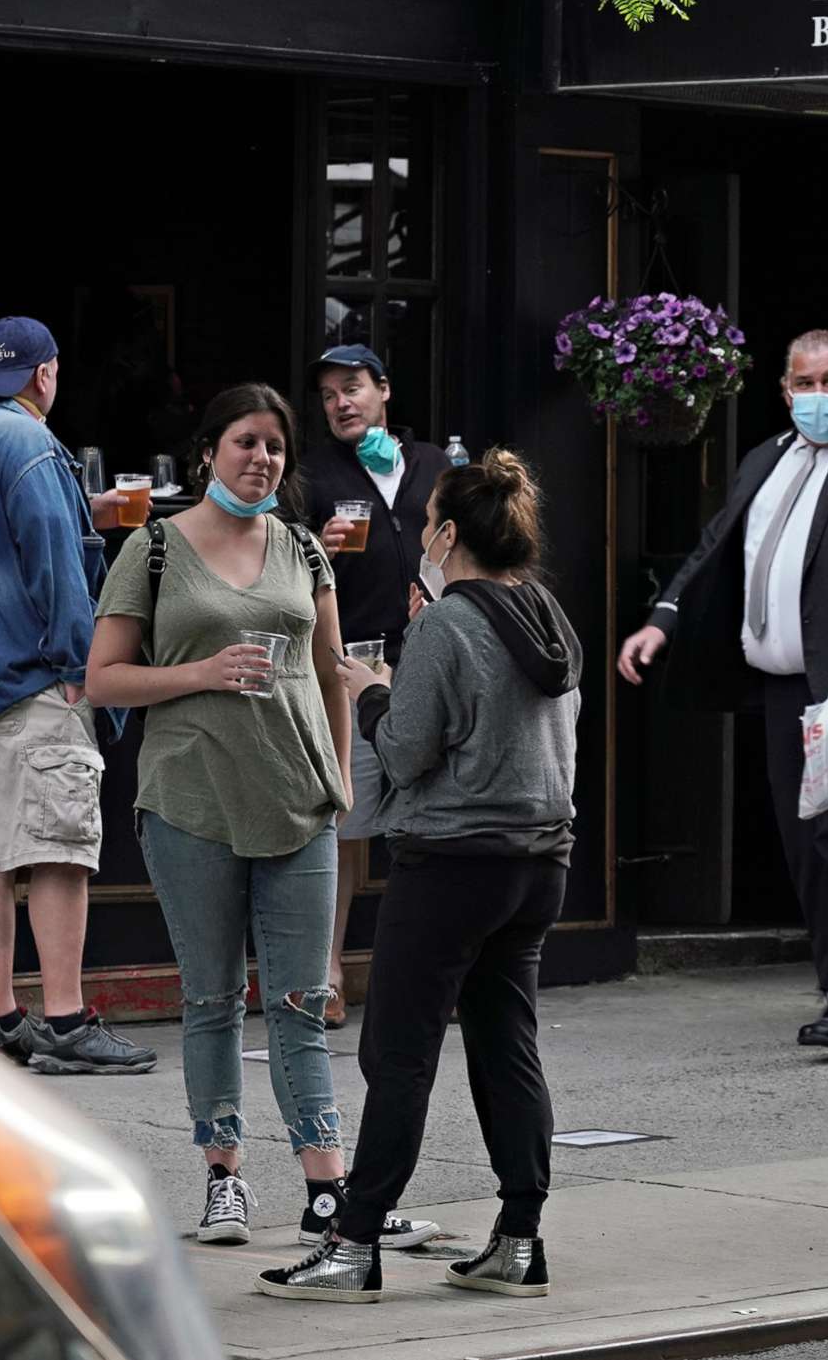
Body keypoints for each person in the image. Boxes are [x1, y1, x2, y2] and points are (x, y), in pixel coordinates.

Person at [85, 384, 436, 1253]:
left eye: (276, 446)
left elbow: (328, 670)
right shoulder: (157, 548)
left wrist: (343, 775)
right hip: (191, 798)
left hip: (298, 795)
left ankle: (326, 1189)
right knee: (209, 998)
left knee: (302, 999)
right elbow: (103, 678)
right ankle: (224, 1178)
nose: (262, 459)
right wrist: (200, 672)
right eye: (246, 442)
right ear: (210, 451)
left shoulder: (305, 548)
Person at [260, 449, 583, 1304]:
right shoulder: (545, 610)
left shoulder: (448, 624)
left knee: (396, 1053)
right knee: (506, 1044)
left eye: (430, 524)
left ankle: (354, 1240)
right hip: (538, 860)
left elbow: (405, 751)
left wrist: (371, 689)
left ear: (445, 531)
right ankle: (519, 1237)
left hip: (450, 862)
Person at [617, 331, 828, 1052]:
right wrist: (662, 622)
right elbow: (716, 546)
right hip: (783, 684)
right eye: (804, 383)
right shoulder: (766, 460)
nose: (819, 396)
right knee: (809, 841)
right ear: (783, 391)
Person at [0, 316, 155, 1076]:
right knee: (57, 850)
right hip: (29, 674)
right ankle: (62, 1019)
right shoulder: (31, 444)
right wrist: (81, 668)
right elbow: (55, 565)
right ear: (44, 375)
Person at [303, 344, 454, 1028]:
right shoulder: (311, 473)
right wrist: (317, 546)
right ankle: (327, 972)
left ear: (383, 391)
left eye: (353, 388)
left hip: (430, 658)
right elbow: (280, 559)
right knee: (343, 818)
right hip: (350, 665)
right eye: (330, 394)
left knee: (429, 818)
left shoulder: (432, 466)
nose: (341, 402)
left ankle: (435, 975)